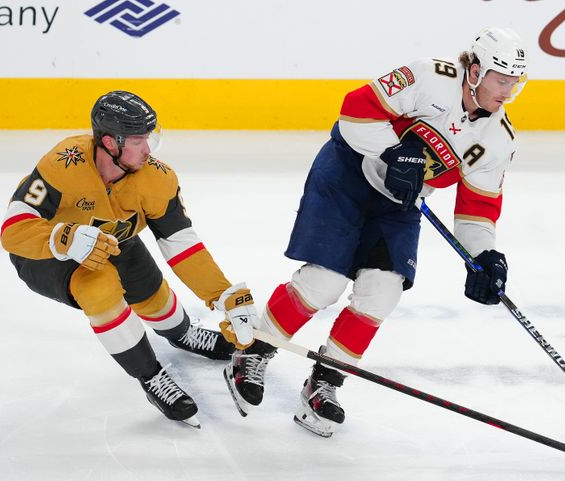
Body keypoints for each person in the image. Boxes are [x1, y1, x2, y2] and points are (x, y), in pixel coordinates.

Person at [224, 27, 527, 437]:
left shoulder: (498, 139)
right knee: (323, 283)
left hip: (399, 203)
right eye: (500, 78)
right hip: (347, 173)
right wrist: (391, 149)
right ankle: (252, 352)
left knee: (382, 293)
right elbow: (355, 109)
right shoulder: (430, 76)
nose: (507, 90)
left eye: (515, 81)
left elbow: (477, 209)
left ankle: (325, 383)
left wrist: (484, 255)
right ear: (474, 71)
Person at [0, 90, 263, 428]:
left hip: (114, 241)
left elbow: (181, 244)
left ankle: (182, 334)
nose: (148, 149)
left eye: (149, 138)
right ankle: (150, 376)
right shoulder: (62, 163)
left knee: (152, 292)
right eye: (139, 140)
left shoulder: (157, 178)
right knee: (100, 289)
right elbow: (13, 230)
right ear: (110, 142)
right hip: (46, 255)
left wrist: (223, 295)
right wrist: (59, 238)